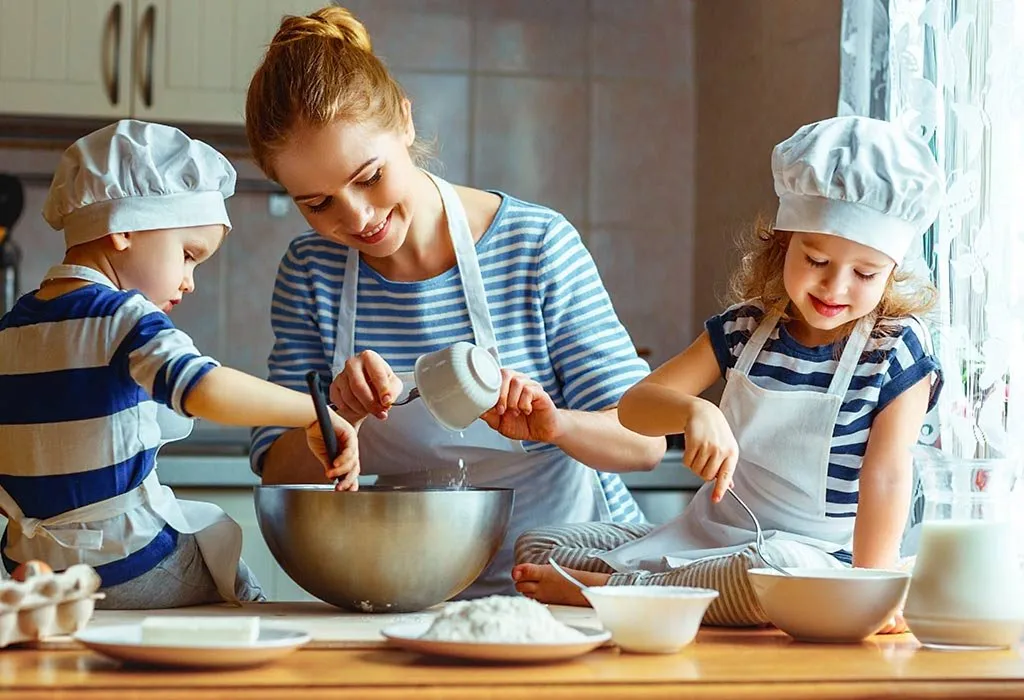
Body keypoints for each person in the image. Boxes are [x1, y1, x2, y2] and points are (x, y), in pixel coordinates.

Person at [244, 6, 666, 598]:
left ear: (405, 124)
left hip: (566, 585)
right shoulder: (310, 273)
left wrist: (554, 425)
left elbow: (645, 443)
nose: (357, 218)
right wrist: (337, 416)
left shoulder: (535, 245)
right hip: (404, 594)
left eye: (368, 177)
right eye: (318, 204)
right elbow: (275, 468)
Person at [512, 116, 945, 633]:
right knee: (542, 544)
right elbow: (635, 407)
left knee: (771, 577)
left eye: (865, 273)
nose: (835, 286)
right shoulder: (745, 329)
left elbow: (889, 474)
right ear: (783, 244)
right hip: (713, 539)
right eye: (816, 259)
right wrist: (694, 410)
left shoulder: (896, 350)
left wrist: (872, 591)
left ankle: (610, 593)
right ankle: (658, 589)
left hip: (811, 560)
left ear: (891, 272)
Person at [0, 120, 359, 609]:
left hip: (28, 557)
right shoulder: (124, 317)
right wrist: (314, 412)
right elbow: (203, 389)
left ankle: (52, 594)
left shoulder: (11, 327)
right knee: (227, 571)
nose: (189, 281)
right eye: (188, 254)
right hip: (130, 562)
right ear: (123, 228)